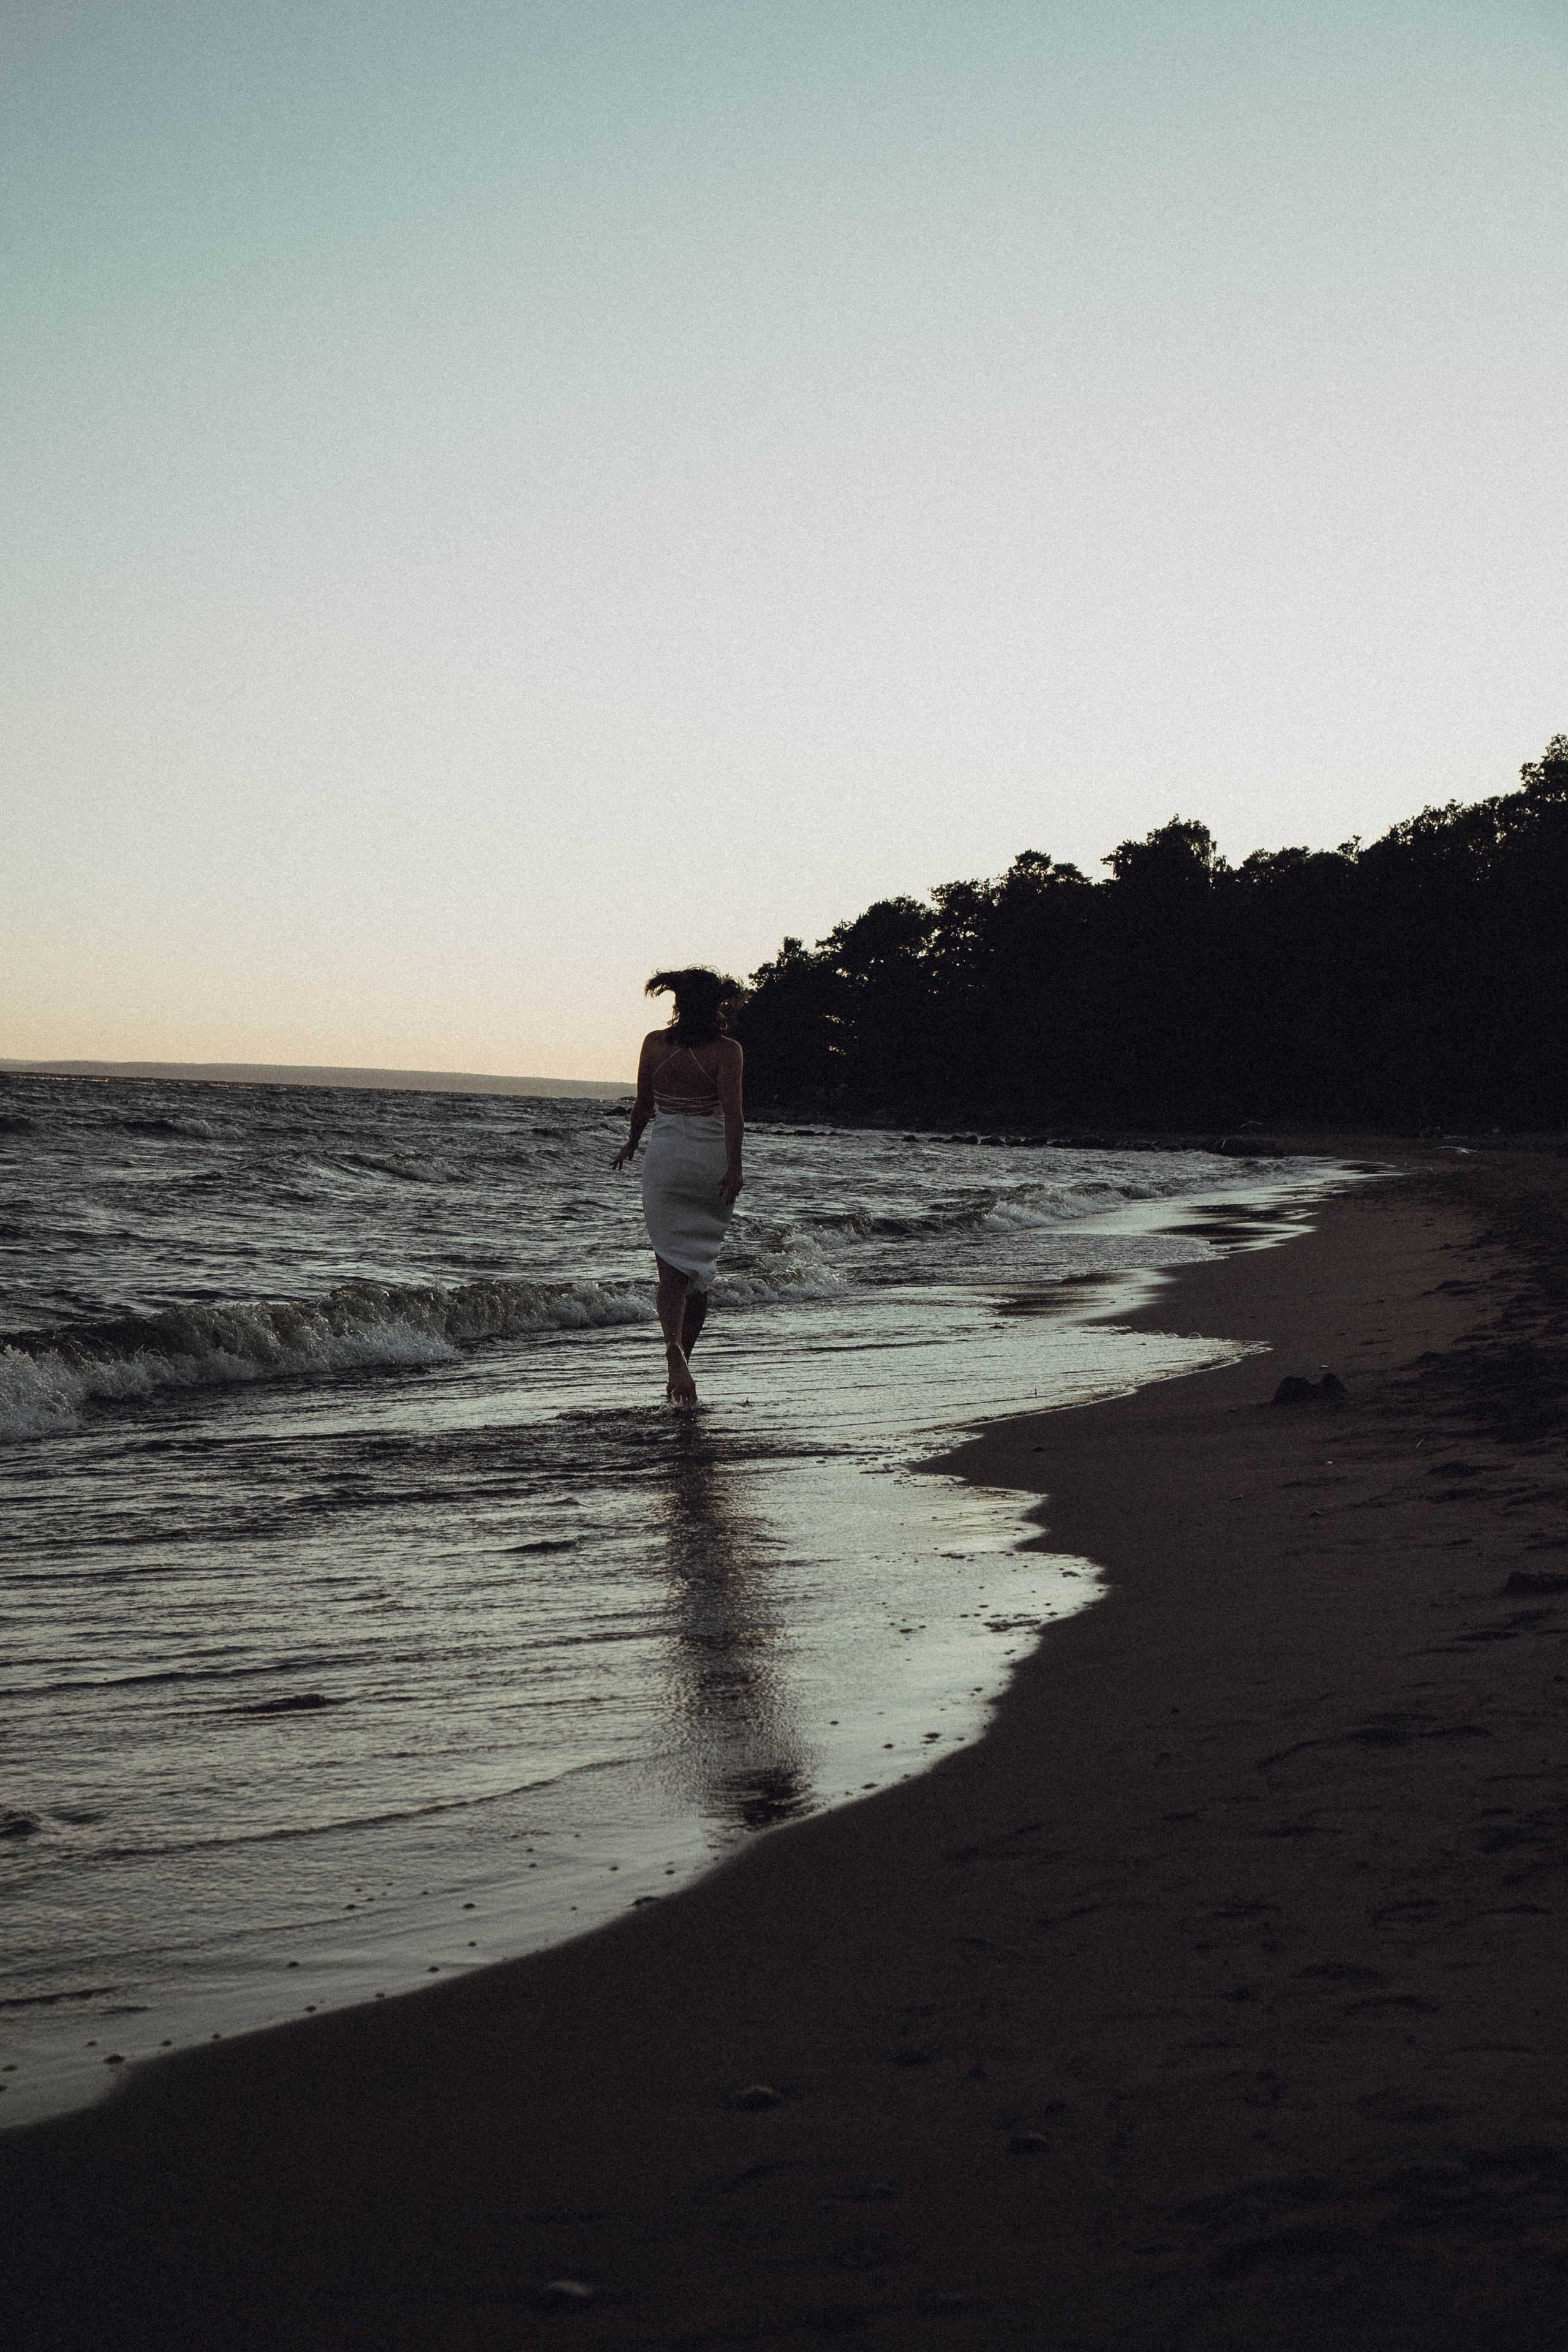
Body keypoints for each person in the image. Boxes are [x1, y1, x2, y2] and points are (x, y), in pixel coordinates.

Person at [612, 967, 744, 1404]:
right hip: (708, 1163)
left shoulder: (653, 1044)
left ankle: (673, 1352)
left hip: (665, 1160)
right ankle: (683, 1360)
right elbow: (733, 1115)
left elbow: (643, 1106)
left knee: (669, 1271)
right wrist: (734, 1169)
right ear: (718, 1004)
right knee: (699, 1272)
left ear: (678, 1002)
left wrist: (631, 1143)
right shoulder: (728, 1051)